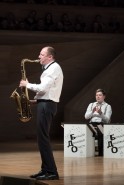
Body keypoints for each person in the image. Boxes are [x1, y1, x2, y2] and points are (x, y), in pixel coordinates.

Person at [19, 46, 63, 180]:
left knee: (43, 139)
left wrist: (27, 85)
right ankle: (45, 170)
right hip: (45, 104)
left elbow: (43, 87)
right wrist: (36, 101)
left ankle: (52, 172)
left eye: (42, 54)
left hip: (47, 105)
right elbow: (46, 91)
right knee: (42, 139)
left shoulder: (53, 68)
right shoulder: (50, 68)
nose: (39, 57)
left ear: (50, 57)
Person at [85, 88, 112, 156]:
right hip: (92, 124)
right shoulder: (91, 105)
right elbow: (86, 117)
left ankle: (101, 153)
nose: (98, 96)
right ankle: (87, 152)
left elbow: (107, 120)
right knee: (85, 130)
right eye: (97, 95)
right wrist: (92, 112)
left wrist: (101, 113)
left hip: (102, 124)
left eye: (100, 95)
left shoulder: (107, 106)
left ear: (104, 96)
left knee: (101, 131)